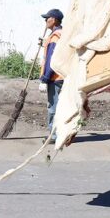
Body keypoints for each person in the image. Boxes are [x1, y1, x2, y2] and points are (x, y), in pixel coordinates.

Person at [39, 8, 63, 139]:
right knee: (62, 106)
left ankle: (54, 137)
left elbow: (52, 60)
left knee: (53, 108)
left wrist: (45, 79)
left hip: (55, 77)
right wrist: (44, 43)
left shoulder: (55, 37)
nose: (45, 21)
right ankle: (64, 134)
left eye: (47, 18)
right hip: (64, 76)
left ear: (53, 20)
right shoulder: (61, 33)